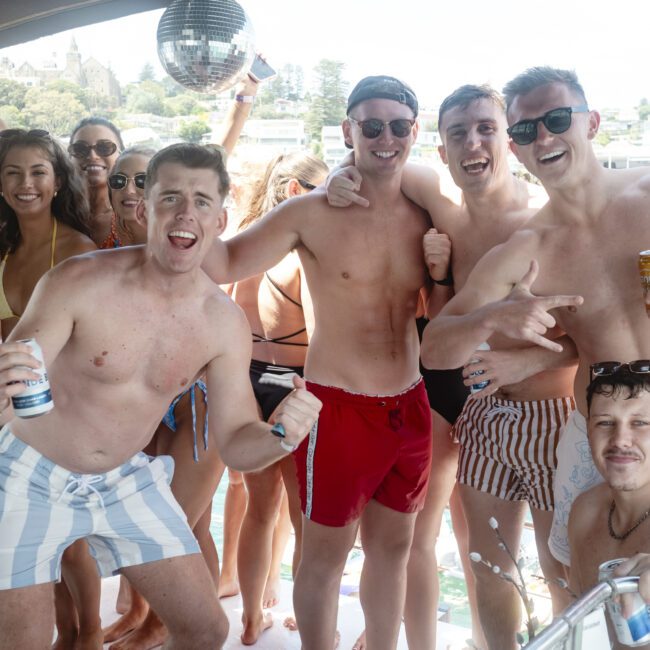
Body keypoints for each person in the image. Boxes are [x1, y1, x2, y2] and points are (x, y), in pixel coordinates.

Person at [0, 142, 322, 650]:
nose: (184, 213)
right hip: (29, 476)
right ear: (144, 206)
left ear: (220, 217)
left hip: (124, 479)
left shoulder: (223, 323)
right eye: (170, 197)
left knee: (205, 630)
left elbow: (238, 440)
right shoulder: (77, 281)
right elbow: (19, 372)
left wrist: (282, 433)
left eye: (200, 201)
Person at [420, 66, 650, 649]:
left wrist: (529, 362)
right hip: (597, 439)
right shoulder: (527, 249)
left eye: (555, 120)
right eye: (525, 131)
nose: (543, 140)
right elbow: (435, 347)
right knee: (593, 596)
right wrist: (493, 319)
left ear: (591, 122)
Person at [203, 75, 432, 650]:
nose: (386, 138)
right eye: (371, 126)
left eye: (398, 126)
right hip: (337, 409)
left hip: (409, 405)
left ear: (415, 131)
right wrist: (185, 208)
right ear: (348, 129)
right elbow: (227, 261)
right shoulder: (311, 211)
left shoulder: (427, 211)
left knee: (394, 551)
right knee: (325, 556)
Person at [327, 84, 557, 650]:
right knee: (419, 535)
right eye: (459, 134)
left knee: (522, 551)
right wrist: (336, 176)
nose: (473, 143)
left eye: (486, 129)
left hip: (529, 397)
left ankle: (488, 639)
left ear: (508, 138)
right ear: (443, 146)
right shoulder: (440, 201)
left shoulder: (544, 218)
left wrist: (520, 358)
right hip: (442, 380)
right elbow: (375, 156)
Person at [229, 151, 328, 644]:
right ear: (295, 191)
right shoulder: (301, 260)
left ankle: (249, 619)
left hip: (246, 381)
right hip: (294, 385)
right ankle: (305, 615)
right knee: (300, 513)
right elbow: (321, 337)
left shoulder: (243, 248)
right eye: (323, 190)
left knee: (258, 509)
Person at [568, 364, 650, 649]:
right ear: (588, 431)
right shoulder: (585, 511)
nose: (620, 440)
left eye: (640, 423)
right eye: (604, 422)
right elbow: (582, 625)